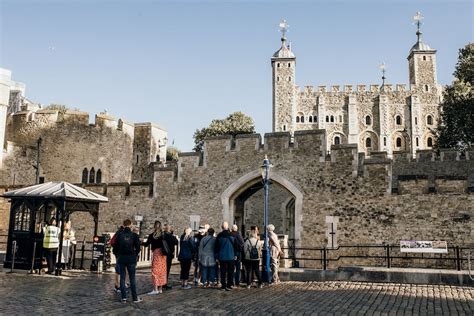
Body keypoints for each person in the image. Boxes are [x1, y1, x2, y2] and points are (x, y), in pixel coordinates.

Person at [115, 219, 142, 303]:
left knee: (122, 278)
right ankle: (134, 298)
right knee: (132, 278)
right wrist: (134, 254)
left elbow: (115, 248)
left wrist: (118, 255)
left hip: (121, 258)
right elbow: (138, 248)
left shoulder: (119, 235)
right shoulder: (134, 235)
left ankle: (124, 298)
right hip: (131, 258)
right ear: (131, 225)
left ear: (123, 224)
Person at [143, 221, 167, 295]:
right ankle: (160, 288)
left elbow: (146, 244)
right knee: (162, 271)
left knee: (155, 270)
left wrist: (140, 242)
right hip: (163, 254)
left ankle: (155, 289)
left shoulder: (152, 235)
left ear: (154, 226)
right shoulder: (163, 235)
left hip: (157, 253)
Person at [215, 221, 238, 291]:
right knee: (230, 271)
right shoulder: (232, 235)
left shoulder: (219, 236)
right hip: (231, 256)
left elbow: (216, 247)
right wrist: (235, 254)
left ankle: (223, 285)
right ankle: (229, 285)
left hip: (222, 257)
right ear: (228, 227)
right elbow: (236, 246)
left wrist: (216, 256)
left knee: (223, 271)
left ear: (222, 227)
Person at [163, 223, 178, 289]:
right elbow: (176, 242)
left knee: (162, 270)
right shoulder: (171, 236)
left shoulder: (162, 235)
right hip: (168, 254)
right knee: (167, 270)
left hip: (162, 254)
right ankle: (164, 283)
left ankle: (160, 283)